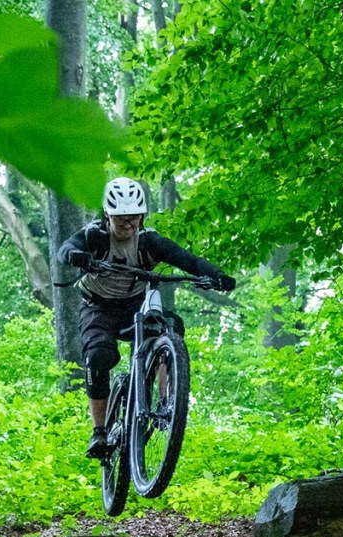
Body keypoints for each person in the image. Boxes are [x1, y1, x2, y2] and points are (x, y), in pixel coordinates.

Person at [56, 177, 236, 458]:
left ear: (142, 216)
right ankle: (99, 431)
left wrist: (216, 276)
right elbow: (65, 250)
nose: (128, 226)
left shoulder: (149, 241)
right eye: (122, 220)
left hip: (135, 306)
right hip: (98, 308)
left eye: (134, 220)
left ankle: (166, 404)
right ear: (108, 216)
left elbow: (187, 260)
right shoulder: (95, 236)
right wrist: (79, 257)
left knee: (171, 328)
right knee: (98, 356)